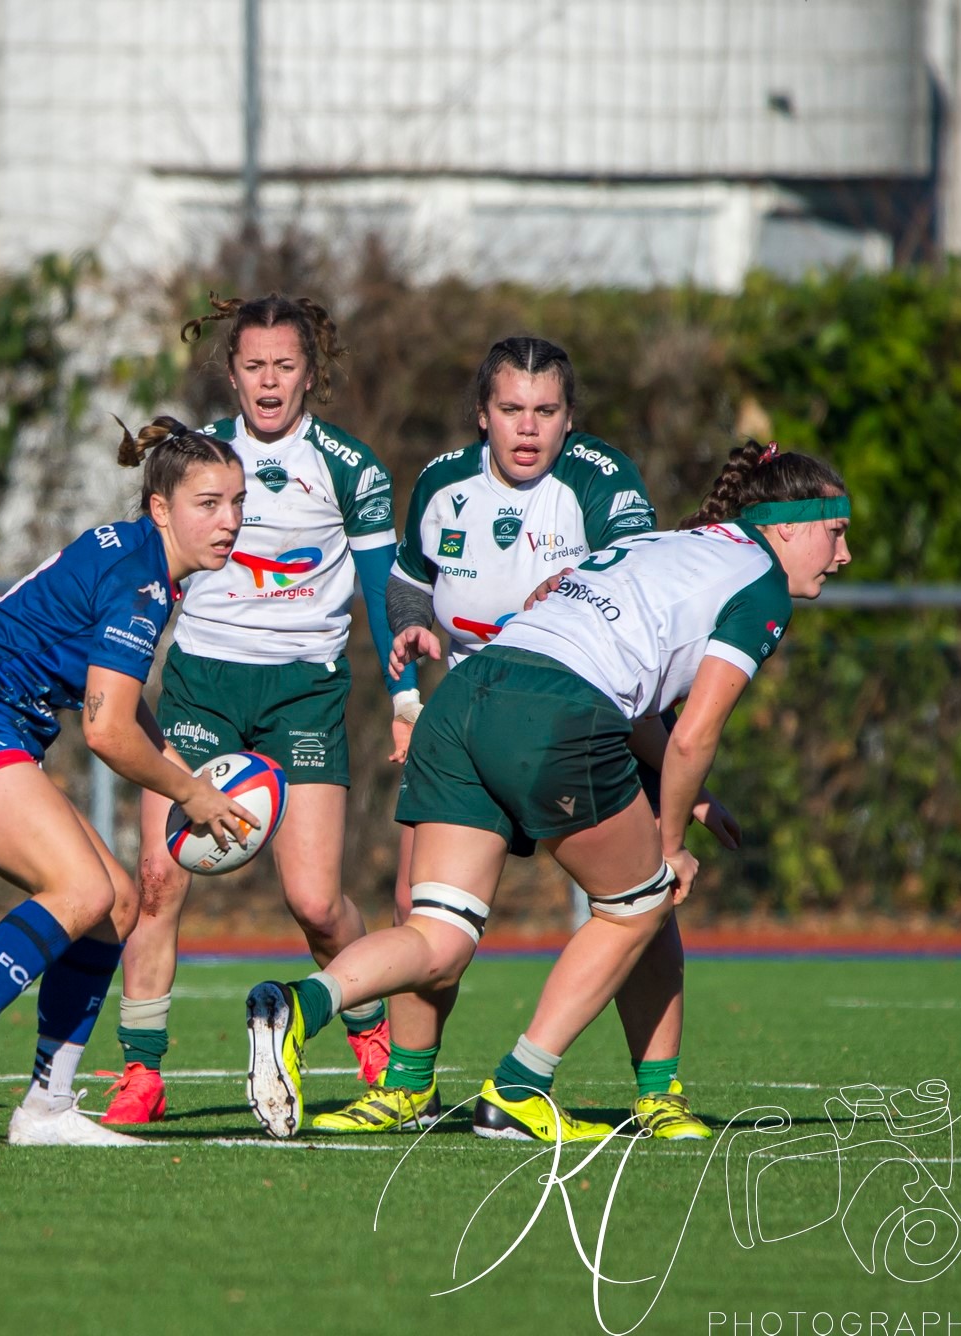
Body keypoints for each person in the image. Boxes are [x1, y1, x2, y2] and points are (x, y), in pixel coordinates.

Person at [244, 441, 850, 1142]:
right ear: (786, 525)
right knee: (641, 901)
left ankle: (299, 1007)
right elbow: (691, 735)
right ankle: (521, 1088)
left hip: (467, 696)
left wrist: (699, 800)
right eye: (835, 533)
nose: (843, 557)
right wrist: (672, 842)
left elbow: (645, 708)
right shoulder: (761, 581)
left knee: (437, 934)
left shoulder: (670, 545)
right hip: (553, 712)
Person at [312, 336, 728, 1141]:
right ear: (482, 414)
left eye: (545, 412)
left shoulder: (599, 480)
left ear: (570, 419)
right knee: (418, 907)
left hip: (589, 717)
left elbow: (638, 572)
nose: (527, 429)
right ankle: (406, 1089)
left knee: (643, 908)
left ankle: (659, 1095)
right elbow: (406, 582)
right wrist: (410, 634)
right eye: (511, 410)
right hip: (472, 717)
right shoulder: (440, 483)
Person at [0, 417, 257, 1147]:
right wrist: (189, 792)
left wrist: (181, 772)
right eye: (208, 503)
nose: (230, 521)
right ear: (161, 508)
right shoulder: (142, 580)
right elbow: (105, 730)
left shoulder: (144, 564)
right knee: (83, 891)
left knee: (116, 904)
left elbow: (121, 706)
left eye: (239, 502)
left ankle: (48, 1106)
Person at [103, 293, 416, 1127]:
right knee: (159, 878)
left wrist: (405, 699)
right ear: (230, 372)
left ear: (311, 372)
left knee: (315, 903)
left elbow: (385, 593)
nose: (269, 381)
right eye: (253, 365)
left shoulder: (349, 468)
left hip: (303, 695)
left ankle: (367, 1023)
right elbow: (146, 570)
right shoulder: (197, 461)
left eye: (286, 364)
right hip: (203, 687)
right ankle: (142, 1073)